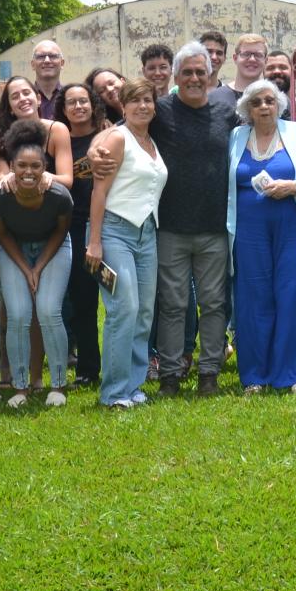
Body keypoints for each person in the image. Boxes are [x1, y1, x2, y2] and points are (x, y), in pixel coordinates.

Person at [104, 42, 239, 396]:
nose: (195, 78)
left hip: (215, 228)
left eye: (201, 72)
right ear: (176, 77)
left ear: (211, 75)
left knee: (213, 303)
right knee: (173, 304)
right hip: (169, 228)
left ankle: (209, 372)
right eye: (188, 72)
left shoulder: (227, 114)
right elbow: (119, 134)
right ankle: (171, 374)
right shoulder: (160, 110)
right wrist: (94, 152)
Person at [227, 78, 296, 392]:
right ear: (247, 108)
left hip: (292, 228)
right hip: (247, 231)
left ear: (279, 106)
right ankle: (254, 377)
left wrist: (294, 187)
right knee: (251, 299)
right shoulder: (236, 137)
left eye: (269, 101)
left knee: (292, 297)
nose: (263, 107)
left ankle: (291, 375)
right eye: (256, 102)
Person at [86, 77, 169, 408]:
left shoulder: (150, 141)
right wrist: (94, 242)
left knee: (145, 311)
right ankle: (114, 392)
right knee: (125, 308)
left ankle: (133, 386)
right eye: (135, 100)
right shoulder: (117, 138)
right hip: (114, 231)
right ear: (123, 105)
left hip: (147, 233)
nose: (143, 106)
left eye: (148, 100)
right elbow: (99, 191)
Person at [0, 120, 74, 407]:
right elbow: (1, 235)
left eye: (35, 166)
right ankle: (21, 387)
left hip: (54, 247)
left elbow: (61, 232)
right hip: (15, 250)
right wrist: (26, 268)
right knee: (19, 314)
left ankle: (59, 385)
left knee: (49, 311)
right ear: (11, 165)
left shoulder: (59, 196)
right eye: (21, 165)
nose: (28, 172)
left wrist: (38, 267)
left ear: (44, 166)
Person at [58, 82, 105, 385]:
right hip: (74, 227)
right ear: (63, 109)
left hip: (108, 225)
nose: (78, 107)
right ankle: (88, 368)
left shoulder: (108, 136)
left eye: (83, 101)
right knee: (82, 300)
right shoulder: (59, 142)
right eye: (71, 103)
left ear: (93, 104)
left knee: (117, 299)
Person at [225, 33, 269, 103]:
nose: (252, 59)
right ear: (235, 58)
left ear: (266, 61)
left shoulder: (277, 100)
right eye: (246, 54)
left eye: (258, 55)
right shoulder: (215, 98)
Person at [29, 40, 65, 119]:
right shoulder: (25, 99)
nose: (47, 60)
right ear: (33, 64)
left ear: (62, 63)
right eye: (41, 56)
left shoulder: (69, 97)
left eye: (53, 56)